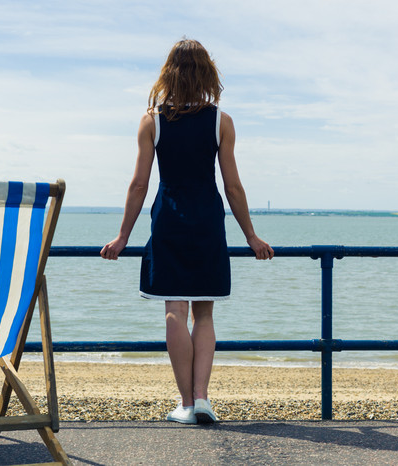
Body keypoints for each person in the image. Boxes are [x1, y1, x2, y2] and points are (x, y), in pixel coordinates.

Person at [101, 39, 274, 424]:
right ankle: (202, 399)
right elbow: (233, 187)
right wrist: (251, 237)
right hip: (208, 221)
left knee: (175, 312)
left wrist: (122, 237)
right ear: (207, 74)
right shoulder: (221, 122)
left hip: (169, 220)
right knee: (205, 315)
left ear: (168, 73)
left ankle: (184, 404)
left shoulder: (153, 120)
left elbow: (138, 186)